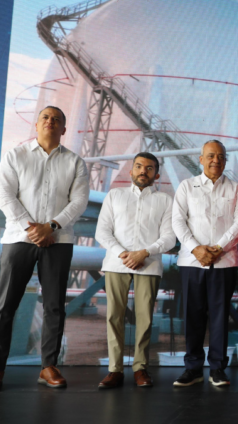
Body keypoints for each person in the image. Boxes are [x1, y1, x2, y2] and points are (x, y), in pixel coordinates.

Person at [0, 106, 89, 392]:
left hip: (58, 241)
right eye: (45, 117)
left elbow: (79, 201)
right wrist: (32, 229)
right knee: (5, 305)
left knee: (54, 305)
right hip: (19, 239)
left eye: (57, 119)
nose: (50, 121)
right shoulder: (15, 155)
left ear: (64, 128)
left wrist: (50, 227)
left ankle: (48, 367)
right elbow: (4, 194)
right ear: (37, 124)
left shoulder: (76, 162)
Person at [94, 152, 175, 388]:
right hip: (116, 263)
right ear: (131, 171)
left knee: (145, 318)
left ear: (156, 175)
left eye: (149, 168)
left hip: (149, 264)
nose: (143, 171)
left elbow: (169, 237)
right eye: (139, 166)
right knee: (114, 316)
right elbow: (102, 232)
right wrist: (124, 254)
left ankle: (140, 368)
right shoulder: (114, 196)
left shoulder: (165, 200)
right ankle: (115, 370)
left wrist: (144, 253)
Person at [171, 140, 238, 387]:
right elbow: (178, 221)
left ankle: (218, 369)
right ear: (201, 159)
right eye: (211, 155)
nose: (216, 160)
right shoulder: (187, 186)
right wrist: (196, 248)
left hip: (224, 262)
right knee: (192, 315)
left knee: (219, 316)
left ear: (225, 160)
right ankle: (193, 369)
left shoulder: (236, 189)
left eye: (221, 156)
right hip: (192, 262)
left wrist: (219, 248)